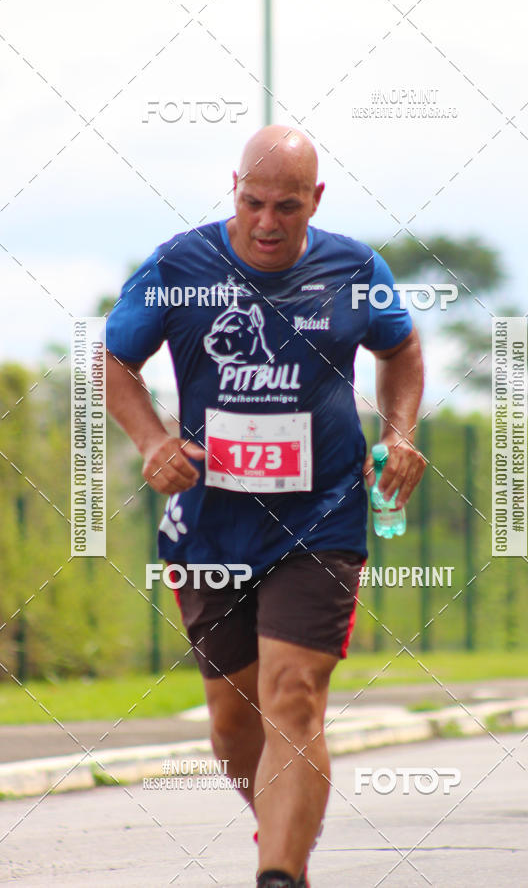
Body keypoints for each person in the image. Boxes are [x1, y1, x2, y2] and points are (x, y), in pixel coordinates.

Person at [105, 124, 426, 888]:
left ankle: (277, 874)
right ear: (235, 189)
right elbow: (115, 360)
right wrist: (152, 441)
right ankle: (285, 842)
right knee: (233, 723)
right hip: (211, 525)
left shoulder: (356, 268)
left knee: (294, 695)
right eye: (253, 202)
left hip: (323, 518)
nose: (268, 222)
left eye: (287, 206)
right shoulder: (179, 267)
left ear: (315, 200)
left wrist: (401, 431)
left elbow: (401, 348)